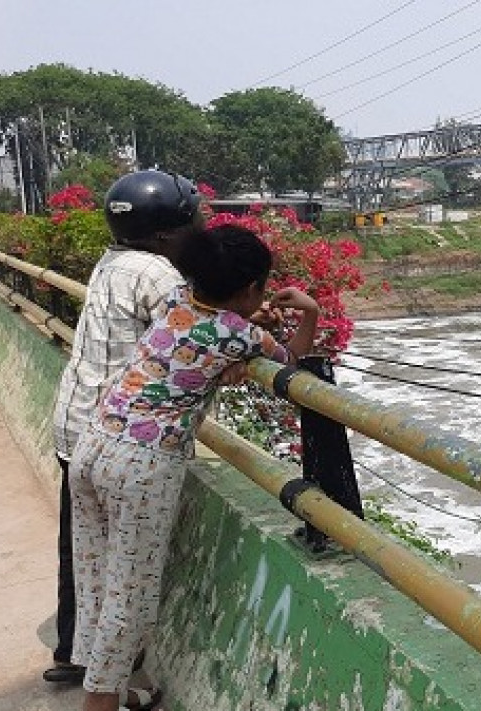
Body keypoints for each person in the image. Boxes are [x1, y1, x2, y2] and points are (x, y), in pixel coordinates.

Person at [67, 224, 320, 711]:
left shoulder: (177, 298)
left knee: (97, 578)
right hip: (140, 465)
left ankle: (111, 691)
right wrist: (308, 309)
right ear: (250, 289)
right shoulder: (238, 334)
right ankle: (98, 706)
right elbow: (292, 360)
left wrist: (241, 334)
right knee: (131, 599)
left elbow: (203, 335)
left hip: (95, 443)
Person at [46, 169, 206, 687]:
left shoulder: (112, 260)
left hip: (75, 428)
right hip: (120, 439)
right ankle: (114, 681)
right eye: (191, 221)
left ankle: (74, 650)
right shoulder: (161, 278)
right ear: (165, 235)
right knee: (125, 572)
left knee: (84, 551)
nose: (199, 227)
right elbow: (191, 348)